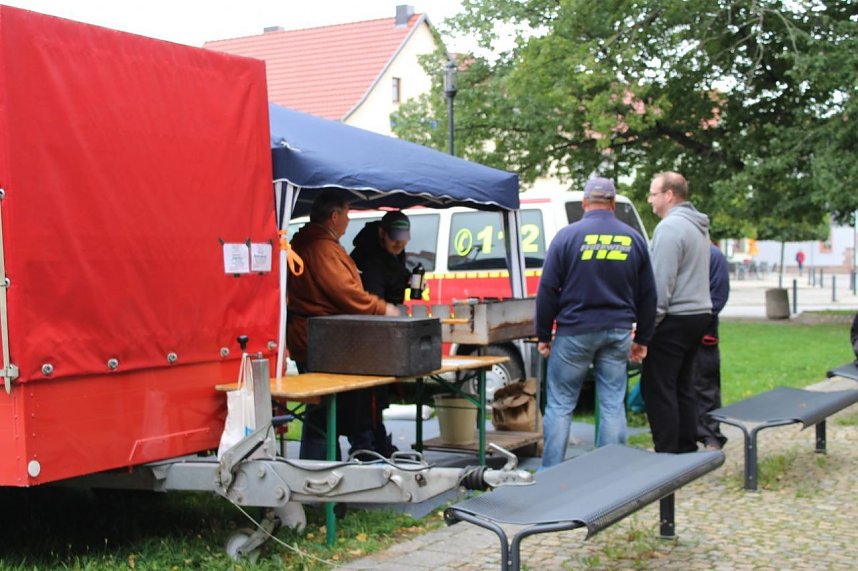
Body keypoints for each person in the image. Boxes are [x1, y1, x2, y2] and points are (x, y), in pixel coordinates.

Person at [535, 177, 656, 469]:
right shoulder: (634, 239)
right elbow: (648, 293)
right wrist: (643, 338)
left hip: (575, 332)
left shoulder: (566, 237)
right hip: (617, 332)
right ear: (613, 204)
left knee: (561, 405)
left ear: (585, 203)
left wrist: (543, 334)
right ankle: (610, 472)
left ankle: (550, 472)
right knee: (613, 404)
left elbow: (548, 289)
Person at [287, 189, 400, 460]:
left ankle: (324, 473)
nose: (349, 220)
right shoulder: (321, 247)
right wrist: (381, 308)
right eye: (347, 214)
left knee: (323, 410)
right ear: (334, 216)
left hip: (317, 338)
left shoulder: (316, 243)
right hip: (319, 340)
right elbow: (345, 294)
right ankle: (322, 479)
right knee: (323, 410)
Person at [641, 171, 712, 454]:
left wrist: (649, 326)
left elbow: (661, 283)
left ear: (669, 195)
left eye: (653, 194)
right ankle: (685, 444)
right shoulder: (697, 225)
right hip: (699, 314)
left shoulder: (670, 228)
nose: (649, 200)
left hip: (676, 317)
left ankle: (667, 451)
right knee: (682, 383)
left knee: (658, 386)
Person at [345, 211, 413, 458]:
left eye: (403, 238)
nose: (400, 243)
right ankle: (364, 445)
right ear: (381, 233)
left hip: (384, 334)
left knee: (378, 392)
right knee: (366, 394)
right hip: (365, 334)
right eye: (394, 237)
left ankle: (378, 439)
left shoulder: (394, 253)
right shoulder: (368, 258)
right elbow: (371, 300)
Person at [693, 242, 730, 451]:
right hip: (680, 329)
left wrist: (700, 318)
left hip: (703, 331)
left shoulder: (713, 256)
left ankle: (711, 435)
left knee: (705, 384)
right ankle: (689, 433)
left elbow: (719, 295)